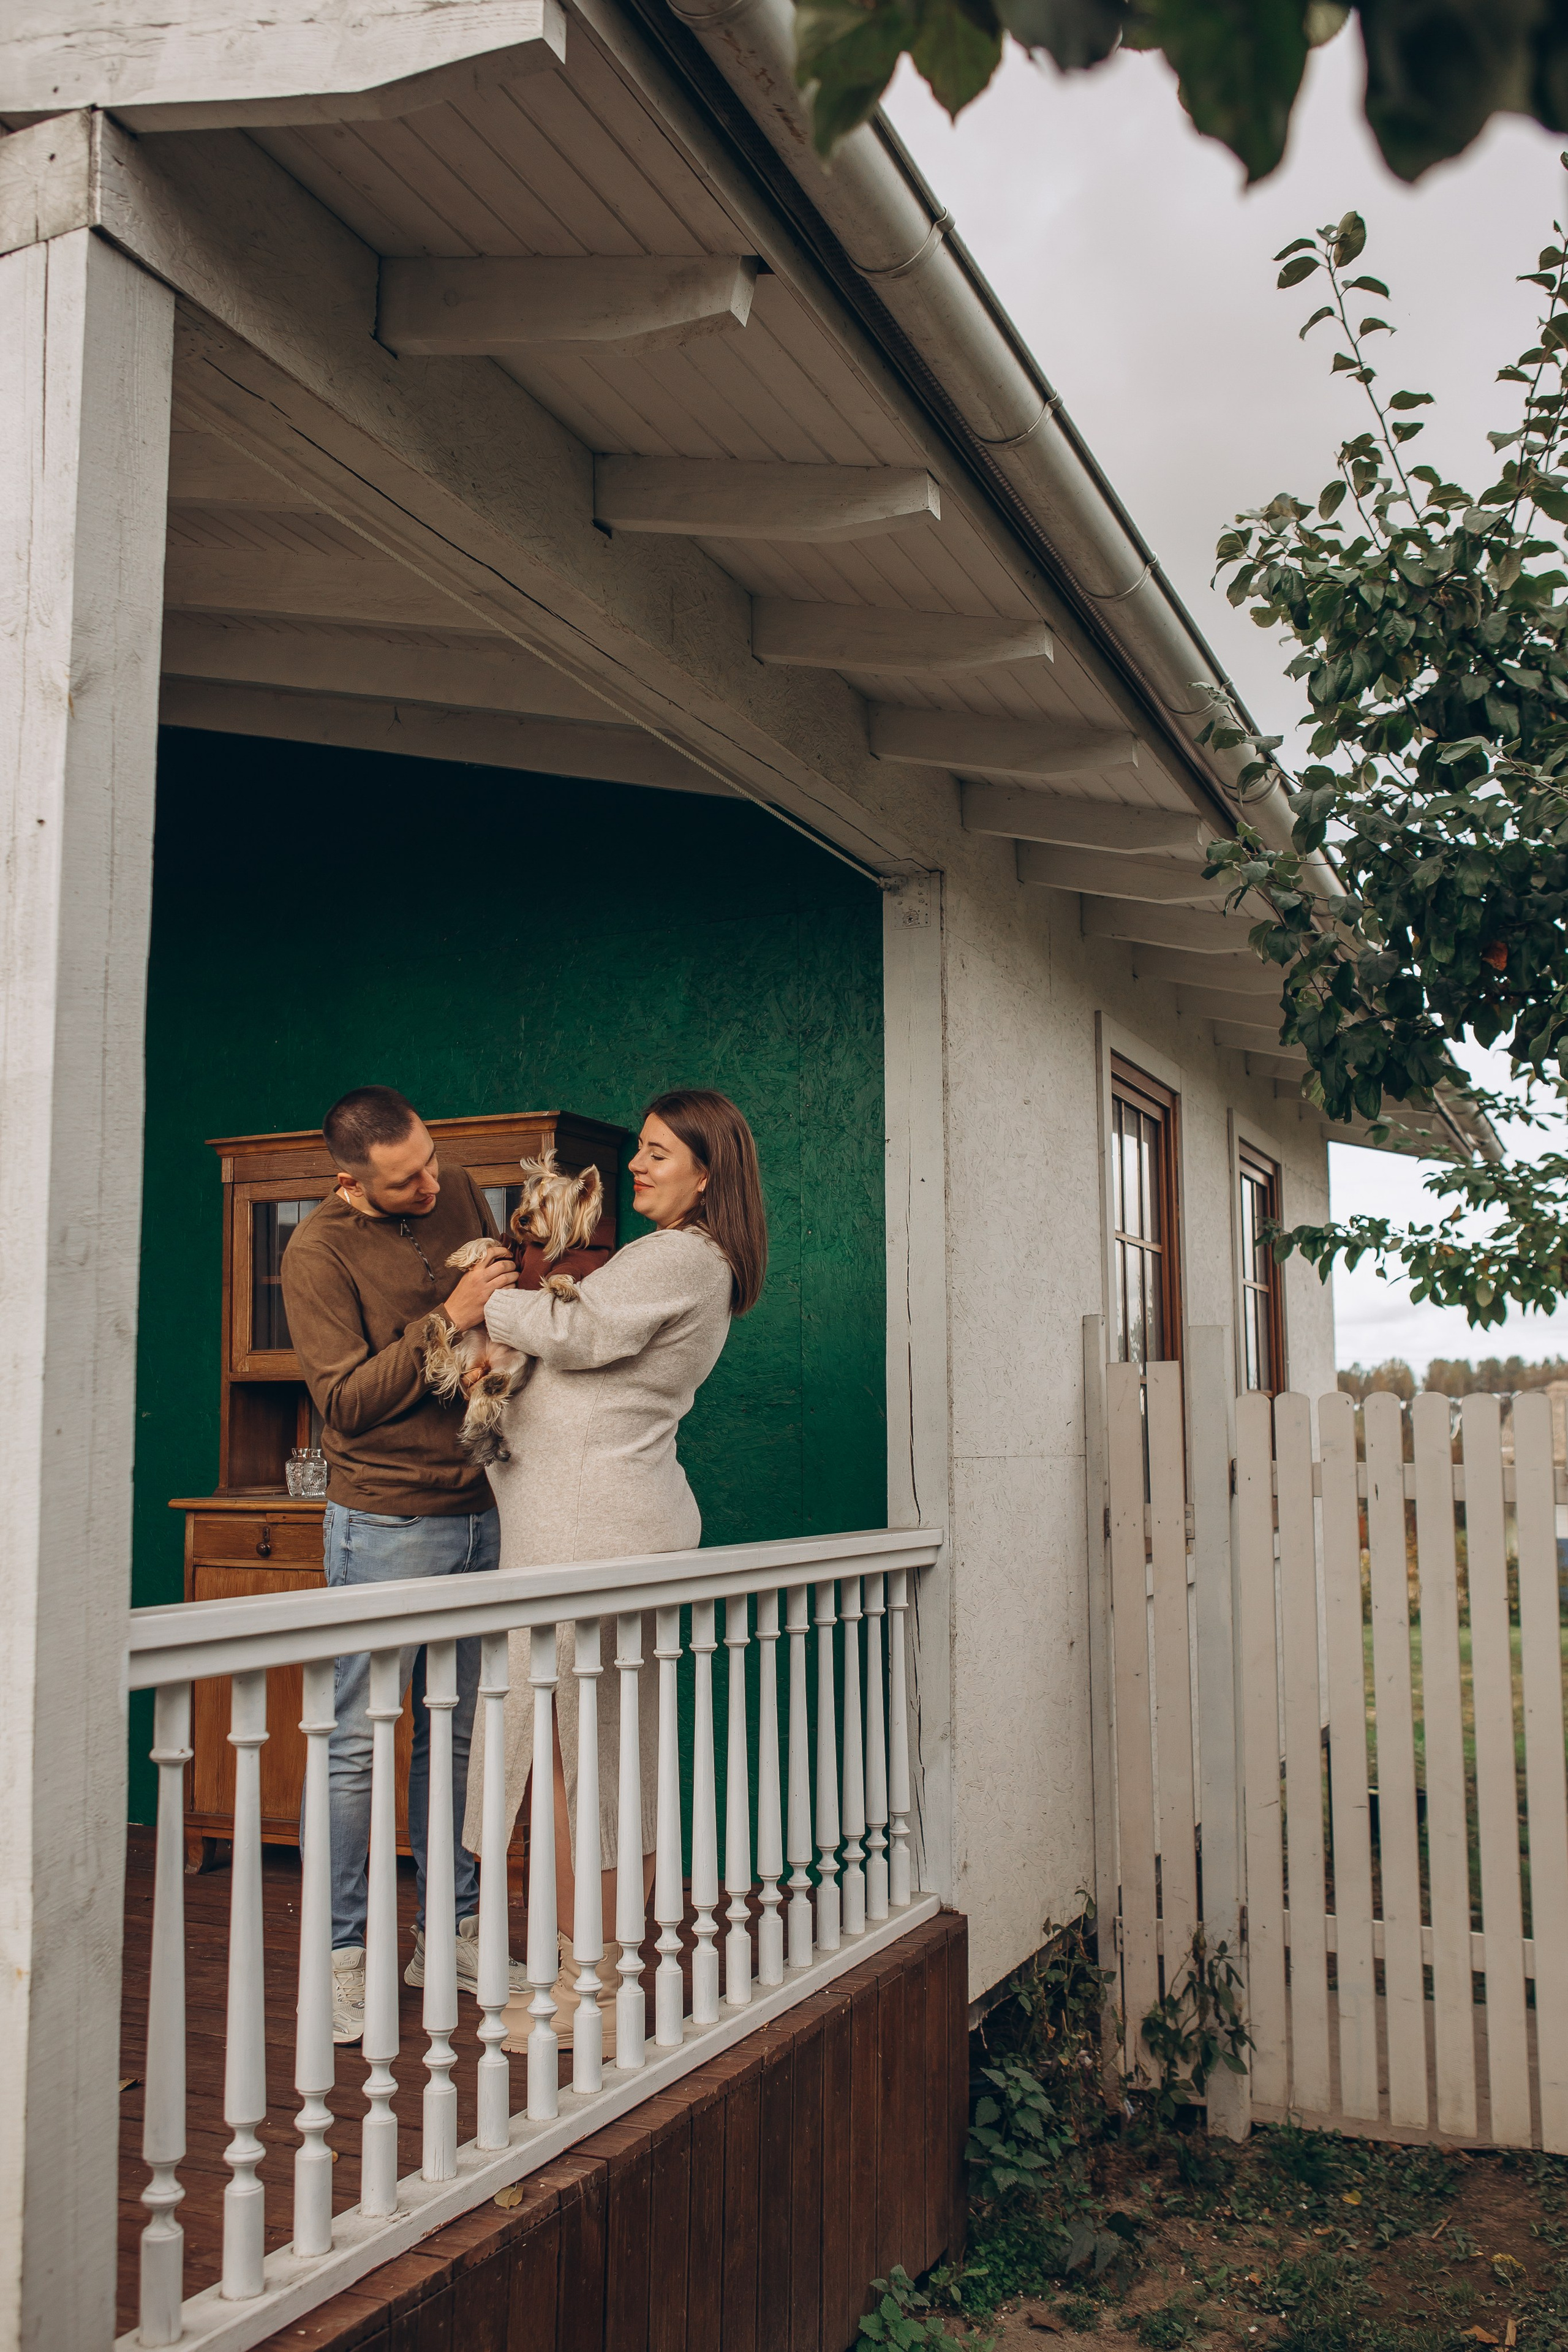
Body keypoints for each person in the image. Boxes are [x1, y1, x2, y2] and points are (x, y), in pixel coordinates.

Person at [464, 1088, 767, 2059]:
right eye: (637, 1152)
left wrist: (488, 1305)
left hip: (595, 1542)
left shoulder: (679, 1254)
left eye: (655, 1153)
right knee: (582, 1761)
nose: (635, 1167)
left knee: (586, 1765)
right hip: (580, 1536)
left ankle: (590, 1989)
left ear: (706, 1170)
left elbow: (582, 1333)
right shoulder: (674, 1256)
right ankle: (584, 1976)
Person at [281, 1085, 526, 2043]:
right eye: (405, 1179)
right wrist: (448, 1316)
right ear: (350, 1183)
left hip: (483, 1504)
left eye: (431, 1160)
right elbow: (342, 1401)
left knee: (461, 1740)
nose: (433, 1184)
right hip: (386, 1525)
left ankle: (452, 1933)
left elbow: (488, 1307)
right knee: (356, 1747)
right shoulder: (315, 1251)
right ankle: (341, 1961)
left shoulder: (457, 1182)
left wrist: (487, 1321)